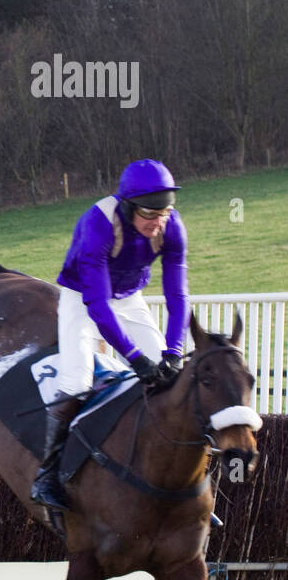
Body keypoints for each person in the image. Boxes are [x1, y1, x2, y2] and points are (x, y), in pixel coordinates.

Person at [31, 159, 189, 512]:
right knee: (76, 379)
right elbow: (97, 307)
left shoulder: (171, 225)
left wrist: (174, 350)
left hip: (128, 296)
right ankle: (47, 474)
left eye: (165, 213)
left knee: (171, 378)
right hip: (82, 296)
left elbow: (178, 296)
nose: (158, 222)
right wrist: (135, 358)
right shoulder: (98, 224)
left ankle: (172, 474)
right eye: (150, 214)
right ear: (128, 207)